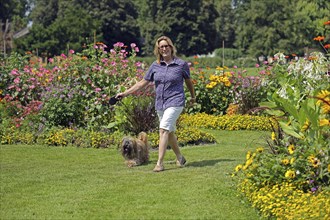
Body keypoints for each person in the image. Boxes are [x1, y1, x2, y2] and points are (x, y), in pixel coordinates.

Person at [116, 36, 195, 172]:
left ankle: (159, 163)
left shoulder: (181, 64)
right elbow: (142, 82)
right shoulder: (155, 65)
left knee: (163, 129)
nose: (164, 49)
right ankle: (180, 157)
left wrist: (193, 96)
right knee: (169, 133)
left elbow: (188, 81)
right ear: (158, 50)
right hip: (161, 103)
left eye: (166, 46)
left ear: (171, 47)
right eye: (161, 47)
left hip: (175, 101)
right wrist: (125, 93)